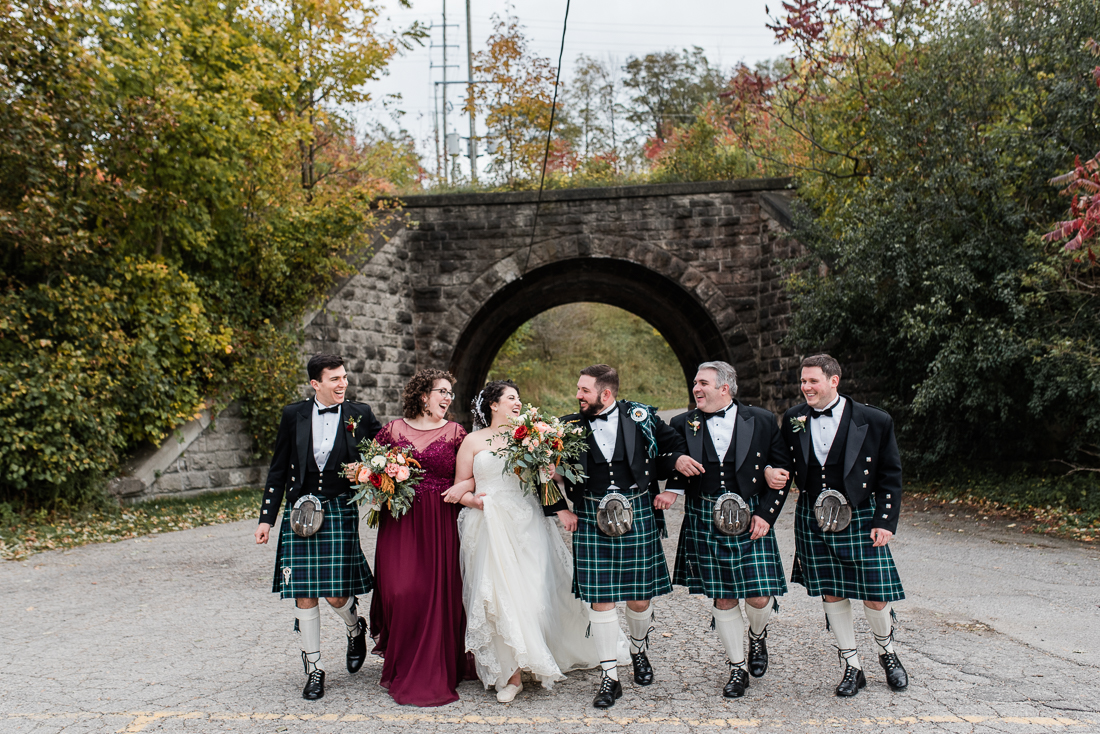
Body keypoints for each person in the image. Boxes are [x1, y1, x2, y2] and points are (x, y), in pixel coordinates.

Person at [443, 381, 627, 703]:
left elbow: (544, 481)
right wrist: (479, 503)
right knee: (499, 597)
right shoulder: (472, 441)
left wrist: (559, 501)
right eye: (511, 398)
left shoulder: (529, 437)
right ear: (493, 405)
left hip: (528, 522)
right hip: (489, 524)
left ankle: (534, 655)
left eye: (519, 397)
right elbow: (461, 490)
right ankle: (511, 676)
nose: (518, 403)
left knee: (531, 593)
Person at [544, 364, 685, 709]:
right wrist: (560, 508)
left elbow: (679, 447)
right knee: (600, 599)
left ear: (605, 394)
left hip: (637, 512)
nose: (577, 395)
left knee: (640, 598)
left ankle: (638, 649)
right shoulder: (567, 426)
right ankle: (609, 676)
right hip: (591, 516)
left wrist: (674, 490)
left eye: (584, 391)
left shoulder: (640, 416)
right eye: (578, 389)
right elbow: (538, 465)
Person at [779, 354, 909, 697]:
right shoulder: (794, 419)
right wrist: (769, 472)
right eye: (803, 382)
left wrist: (885, 520)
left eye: (812, 381)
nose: (805, 387)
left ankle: (888, 654)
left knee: (877, 596)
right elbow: (780, 459)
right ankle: (852, 665)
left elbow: (890, 474)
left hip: (860, 514)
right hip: (814, 516)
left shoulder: (874, 420)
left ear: (833, 380)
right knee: (832, 592)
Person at [254, 353, 383, 700]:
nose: (342, 384)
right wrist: (267, 518)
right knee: (304, 593)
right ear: (316, 384)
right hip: (300, 513)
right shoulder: (293, 414)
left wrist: (368, 472)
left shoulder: (361, 414)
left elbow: (385, 454)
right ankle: (314, 669)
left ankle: (355, 629)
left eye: (344, 377)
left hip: (339, 508)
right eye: (334, 379)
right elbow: (278, 468)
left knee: (336, 592)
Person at [661, 361, 792, 698]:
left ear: (725, 388)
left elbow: (782, 470)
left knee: (760, 595)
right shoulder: (683, 422)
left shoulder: (761, 420)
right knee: (723, 596)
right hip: (706, 514)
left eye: (703, 383)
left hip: (750, 516)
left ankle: (758, 636)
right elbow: (659, 453)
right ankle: (737, 668)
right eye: (694, 383)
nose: (696, 389)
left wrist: (766, 514)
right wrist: (675, 461)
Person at [368, 368, 475, 707]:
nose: (447, 398)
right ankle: (401, 663)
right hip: (400, 520)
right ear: (422, 395)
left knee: (437, 593)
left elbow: (474, 475)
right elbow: (371, 470)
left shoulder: (457, 433)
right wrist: (377, 484)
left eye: (450, 393)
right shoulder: (391, 430)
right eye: (441, 391)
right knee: (401, 590)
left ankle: (436, 665)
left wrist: (464, 488)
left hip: (441, 519)